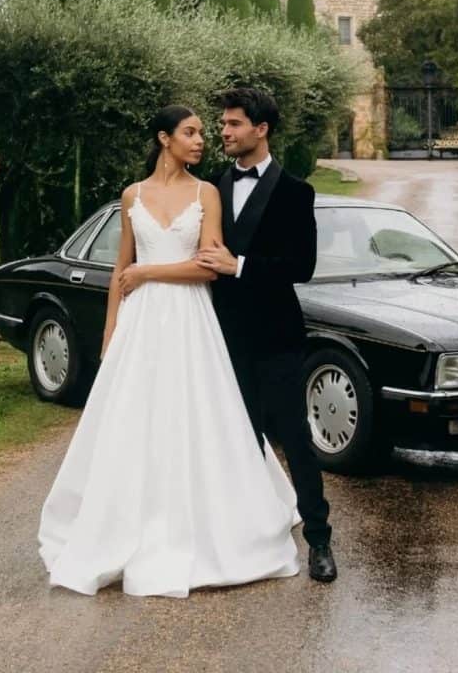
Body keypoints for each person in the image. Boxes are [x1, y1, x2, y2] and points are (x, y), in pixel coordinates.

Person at [38, 106, 299, 597]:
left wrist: (149, 272)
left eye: (203, 132)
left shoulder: (206, 194)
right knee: (132, 417)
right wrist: (110, 333)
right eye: (190, 132)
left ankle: (207, 520)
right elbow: (120, 271)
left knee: (194, 412)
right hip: (139, 324)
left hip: (189, 317)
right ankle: (122, 519)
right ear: (164, 138)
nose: (201, 140)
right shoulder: (132, 195)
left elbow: (208, 266)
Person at [196, 87, 337, 583]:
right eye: (222, 124)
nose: (224, 132)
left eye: (233, 124)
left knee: (296, 439)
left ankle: (319, 541)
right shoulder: (211, 188)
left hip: (277, 337)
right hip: (221, 338)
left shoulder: (297, 192)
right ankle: (242, 541)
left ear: (262, 129)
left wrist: (240, 265)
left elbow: (303, 266)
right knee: (233, 439)